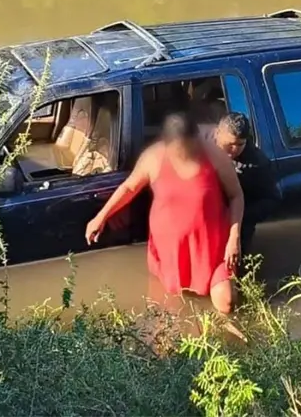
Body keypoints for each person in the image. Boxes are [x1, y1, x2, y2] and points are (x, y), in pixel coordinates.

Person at [84, 112, 244, 314]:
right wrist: (101, 217)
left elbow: (236, 196)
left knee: (227, 302)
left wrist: (234, 237)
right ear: (168, 143)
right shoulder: (154, 157)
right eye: (180, 147)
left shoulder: (214, 155)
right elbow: (129, 188)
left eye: (190, 145)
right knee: (170, 310)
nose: (186, 151)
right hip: (171, 248)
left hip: (211, 245)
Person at [208, 112, 280, 261]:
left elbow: (272, 199)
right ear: (218, 133)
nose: (234, 150)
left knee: (237, 267)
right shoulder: (203, 147)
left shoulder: (257, 163)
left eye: (240, 144)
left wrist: (239, 219)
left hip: (240, 224)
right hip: (207, 220)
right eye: (229, 144)